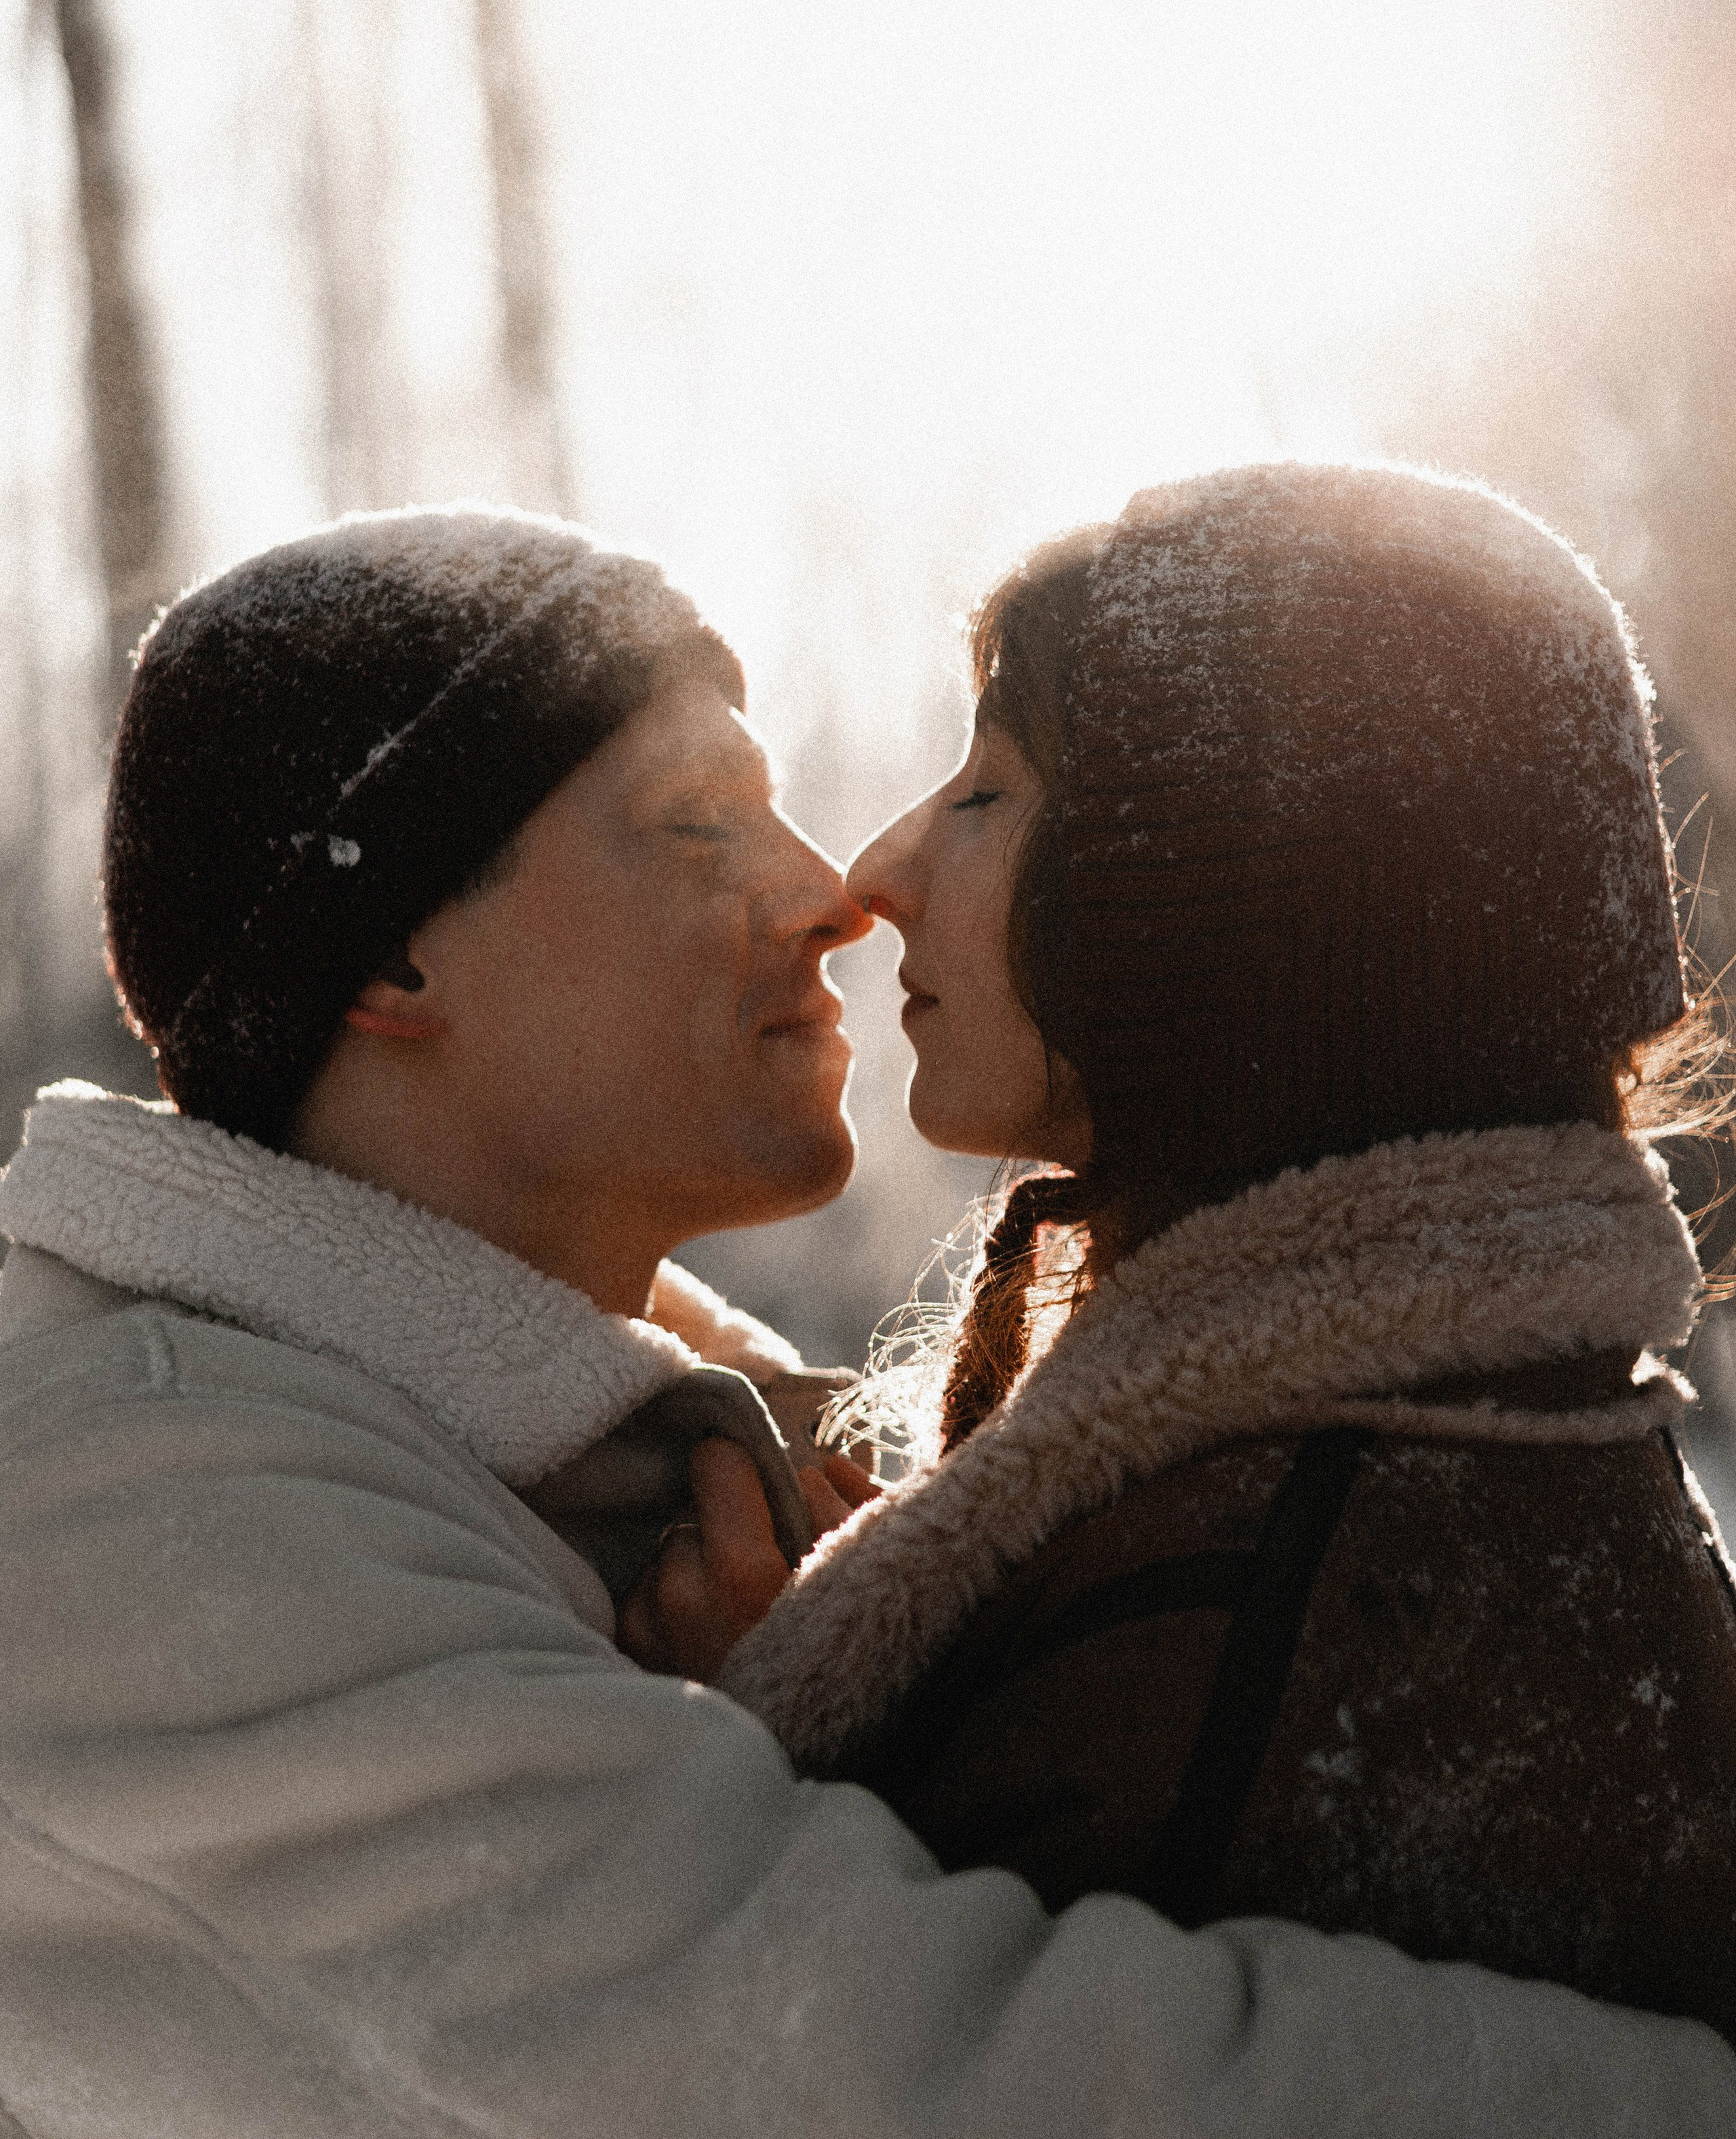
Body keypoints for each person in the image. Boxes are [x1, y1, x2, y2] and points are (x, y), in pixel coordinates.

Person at [0, 502, 1731, 2138]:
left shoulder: (732, 1495)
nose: (835, 889)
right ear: (391, 965)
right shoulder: (140, 1522)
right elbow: (905, 2089)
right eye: (697, 820)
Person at [721, 463, 1736, 2047]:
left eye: (986, 793)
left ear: (1218, 927)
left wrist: (747, 1778)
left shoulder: (1250, 1615)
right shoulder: (1496, 1463)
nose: (876, 871)